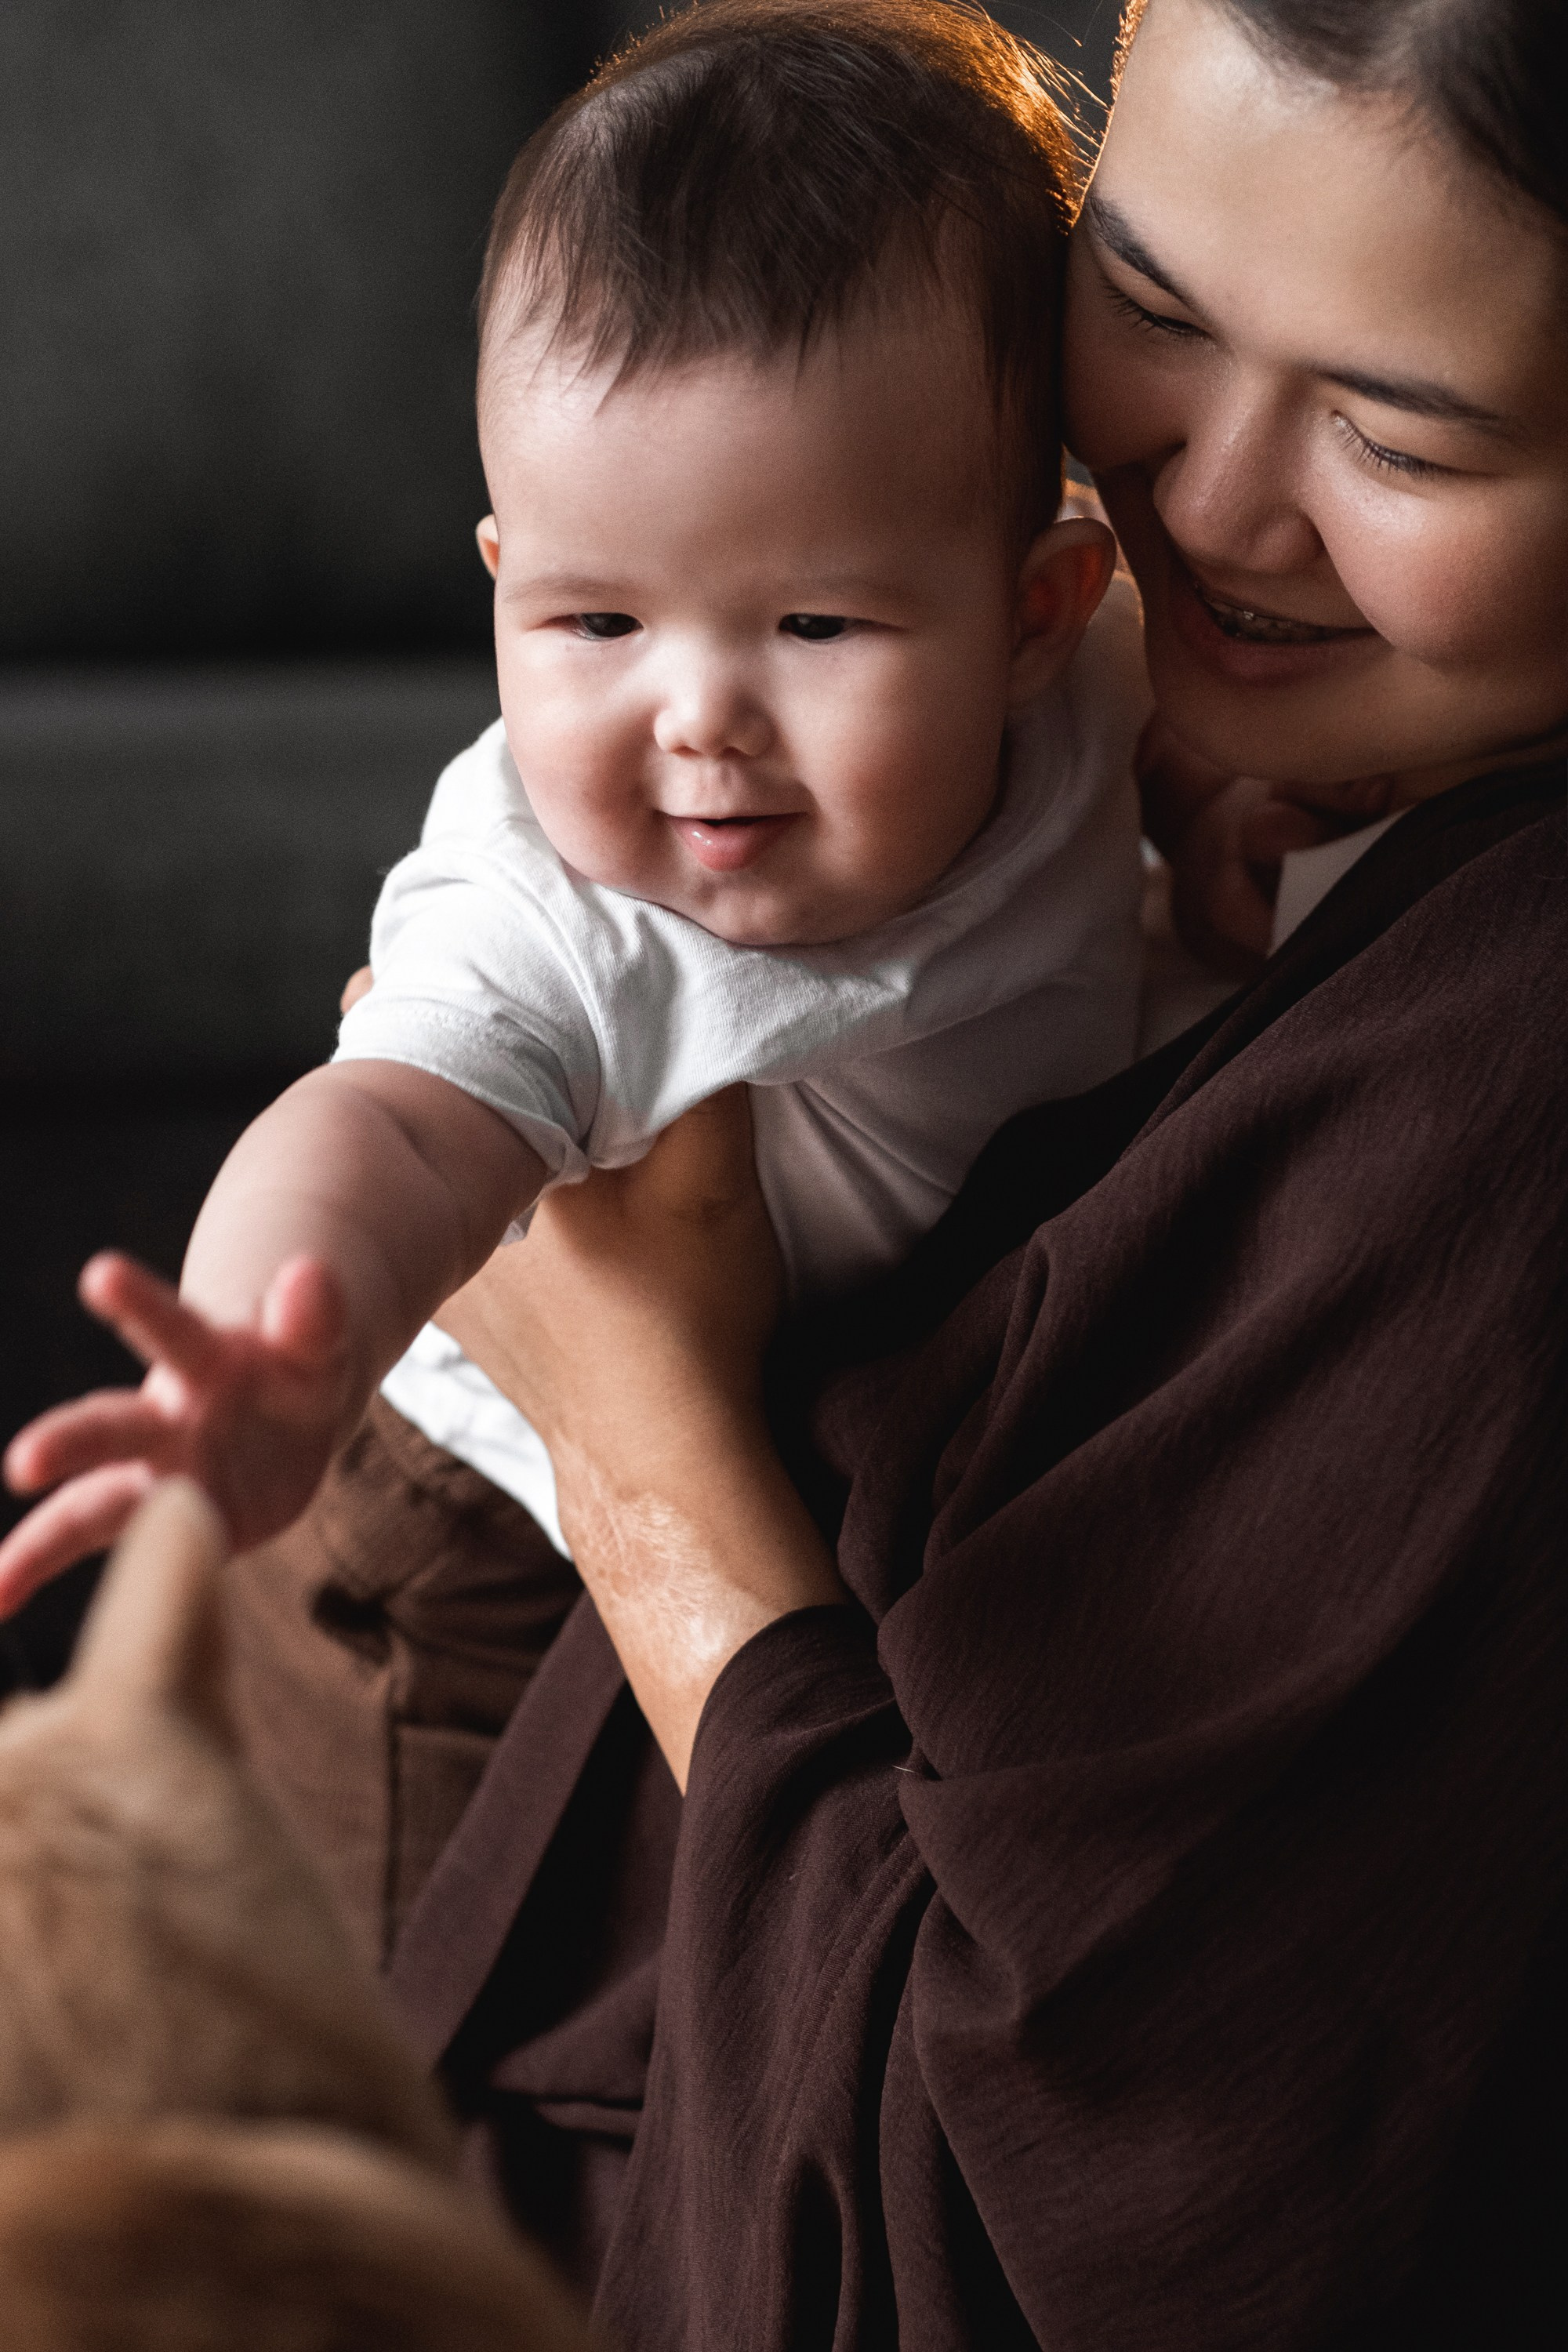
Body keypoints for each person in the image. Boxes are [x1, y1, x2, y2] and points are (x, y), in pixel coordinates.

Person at [234, 0, 1564, 2339]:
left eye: (1397, 432)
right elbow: (401, 1096)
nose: (1195, 503)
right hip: (425, 1577)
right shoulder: (1121, 701)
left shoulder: (1486, 1062)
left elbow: (1060, 2204)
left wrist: (635, 1428)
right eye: (1144, 304)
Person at [0, 0, 1145, 1597]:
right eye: (596, 622)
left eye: (815, 626)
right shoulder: (561, 912)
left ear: (1038, 612)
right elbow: (388, 1130)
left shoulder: (1113, 676)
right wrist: (276, 1356)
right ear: (499, 581)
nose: (695, 720)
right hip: (461, 1549)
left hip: (846, 1424)